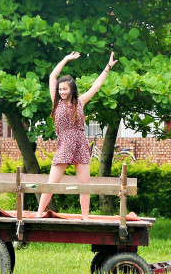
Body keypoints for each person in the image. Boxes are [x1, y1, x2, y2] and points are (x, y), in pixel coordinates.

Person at [36, 52, 118, 220]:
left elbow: (96, 86)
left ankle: (85, 217)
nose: (61, 91)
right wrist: (65, 59)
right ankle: (38, 213)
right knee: (52, 183)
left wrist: (108, 67)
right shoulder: (56, 102)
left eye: (65, 89)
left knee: (84, 185)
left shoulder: (80, 102)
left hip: (80, 144)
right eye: (60, 89)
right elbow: (53, 76)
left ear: (72, 89)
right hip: (64, 144)